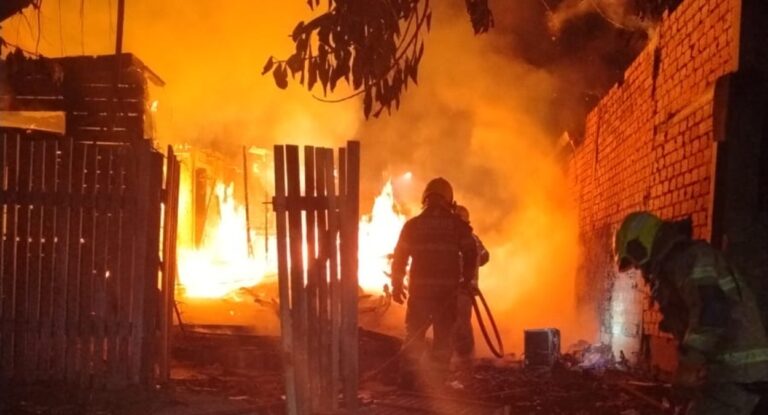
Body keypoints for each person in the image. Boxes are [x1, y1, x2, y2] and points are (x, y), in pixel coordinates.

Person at [614, 211, 768, 415]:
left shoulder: (690, 259)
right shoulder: (679, 265)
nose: (641, 270)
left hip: (737, 377)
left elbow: (711, 310)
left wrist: (691, 361)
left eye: (636, 260)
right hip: (726, 376)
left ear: (643, 243)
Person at [390, 177, 478, 388]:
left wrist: (396, 284)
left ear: (425, 198)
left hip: (419, 293)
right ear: (449, 200)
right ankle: (437, 383)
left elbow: (399, 256)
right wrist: (466, 279)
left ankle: (408, 381)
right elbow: (471, 251)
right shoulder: (458, 226)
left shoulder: (413, 226)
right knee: (443, 338)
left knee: (414, 336)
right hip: (446, 296)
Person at [452, 205, 490, 367]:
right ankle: (461, 358)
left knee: (460, 323)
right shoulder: (472, 238)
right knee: (459, 322)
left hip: (460, 288)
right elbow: (484, 256)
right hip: (464, 289)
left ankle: (465, 360)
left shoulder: (458, 238)